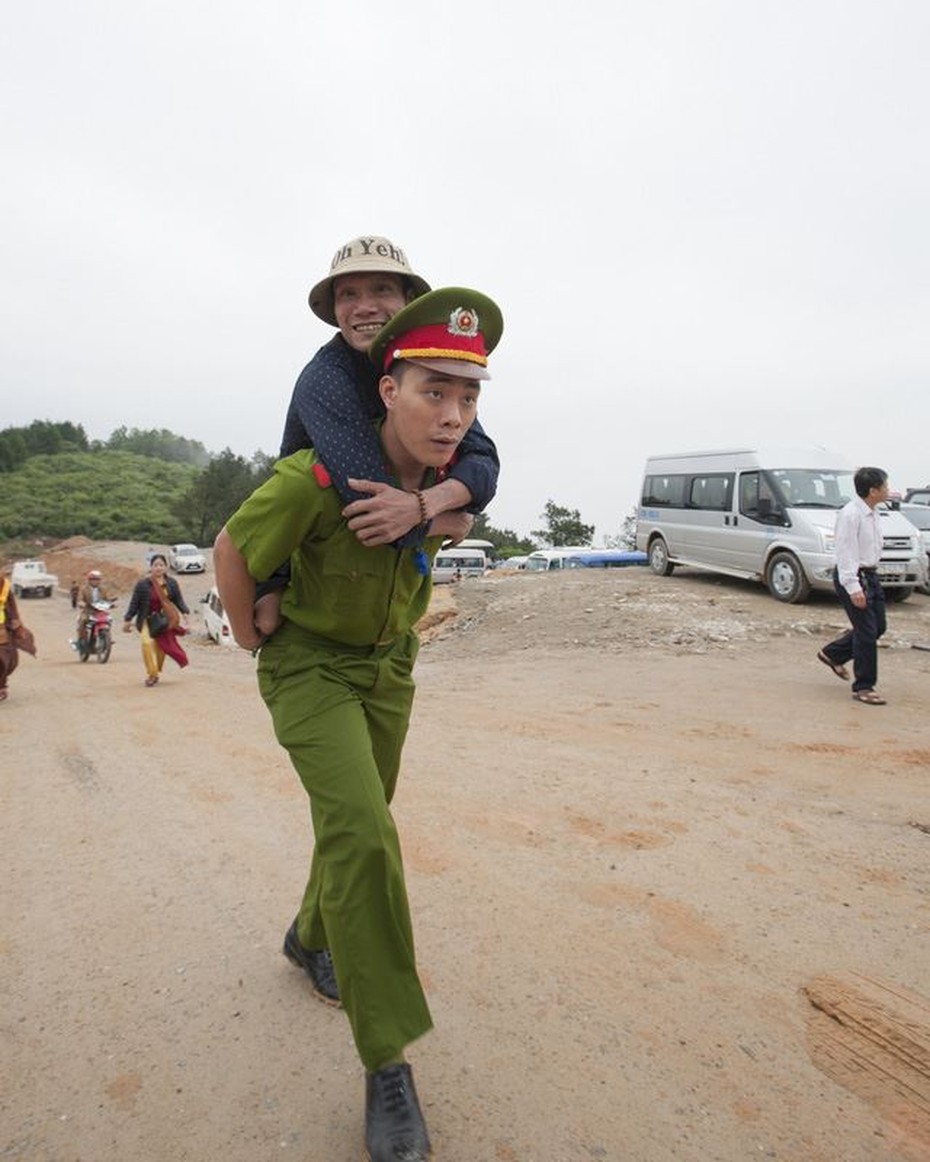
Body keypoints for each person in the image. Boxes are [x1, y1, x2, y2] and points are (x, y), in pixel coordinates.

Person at [214, 286, 504, 1162]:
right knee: (368, 835)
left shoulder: (439, 493)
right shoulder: (315, 475)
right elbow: (233, 548)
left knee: (356, 821)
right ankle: (388, 1066)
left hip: (388, 670)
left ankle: (309, 936)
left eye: (467, 396)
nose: (451, 415)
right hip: (310, 668)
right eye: (432, 392)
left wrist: (435, 511)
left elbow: (456, 516)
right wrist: (246, 632)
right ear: (387, 390)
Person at [253, 234, 500, 635]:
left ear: (407, 303)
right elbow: (374, 505)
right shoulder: (326, 379)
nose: (364, 307)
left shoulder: (421, 367)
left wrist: (428, 503)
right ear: (334, 310)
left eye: (381, 290)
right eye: (348, 294)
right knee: (274, 624)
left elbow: (484, 466)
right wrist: (448, 519)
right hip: (304, 554)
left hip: (371, 568)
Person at [817, 466, 890, 705]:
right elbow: (845, 552)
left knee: (878, 626)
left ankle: (833, 653)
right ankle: (864, 686)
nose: (888, 490)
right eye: (885, 487)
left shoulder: (873, 512)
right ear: (872, 490)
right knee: (867, 632)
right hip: (855, 576)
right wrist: (853, 587)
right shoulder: (850, 515)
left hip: (871, 575)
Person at [122, 553, 191, 687]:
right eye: (155, 565)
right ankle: (152, 674)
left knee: (161, 648)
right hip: (147, 620)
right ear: (151, 567)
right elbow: (134, 603)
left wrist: (186, 614)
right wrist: (128, 619)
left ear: (165, 567)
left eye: (161, 565)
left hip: (165, 621)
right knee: (147, 643)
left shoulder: (171, 583)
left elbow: (178, 600)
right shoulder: (143, 584)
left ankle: (156, 669)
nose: (158, 568)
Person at [0, 571, 37, 701]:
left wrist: (15, 622)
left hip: (1, 628)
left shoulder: (3, 584)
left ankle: (1, 685)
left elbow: (11, 607)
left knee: (4, 658)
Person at [74, 568, 115, 648]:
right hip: (88, 611)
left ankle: (107, 637)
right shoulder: (84, 589)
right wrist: (81, 603)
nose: (96, 581)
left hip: (100, 611)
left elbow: (107, 598)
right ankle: (81, 640)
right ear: (89, 580)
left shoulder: (103, 589)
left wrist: (111, 604)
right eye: (93, 579)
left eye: (97, 579)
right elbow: (80, 599)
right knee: (82, 621)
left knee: (109, 620)